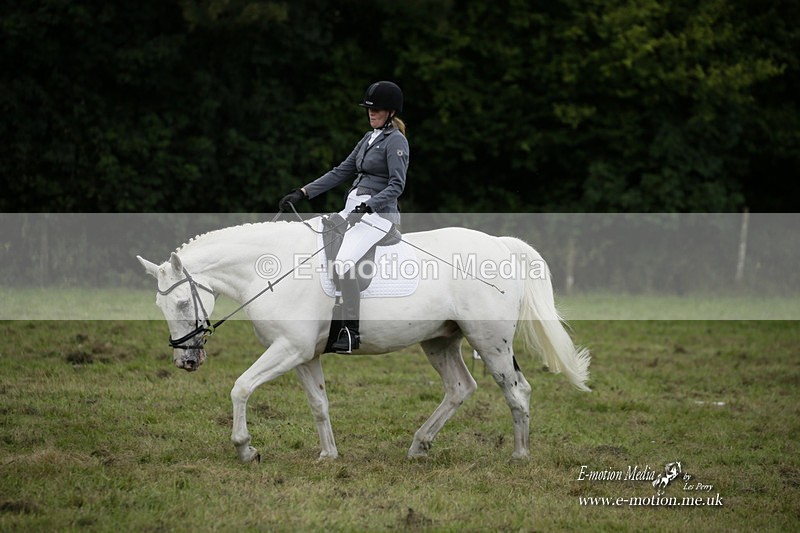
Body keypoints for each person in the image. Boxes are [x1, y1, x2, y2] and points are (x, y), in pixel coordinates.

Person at [279, 81, 409, 353]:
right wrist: (303, 192)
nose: (371, 113)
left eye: (377, 109)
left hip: (378, 217)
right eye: (369, 109)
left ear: (391, 112)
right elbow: (341, 171)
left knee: (344, 261)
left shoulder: (396, 141)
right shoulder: (368, 138)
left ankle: (350, 333)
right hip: (353, 213)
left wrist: (369, 206)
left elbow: (397, 185)